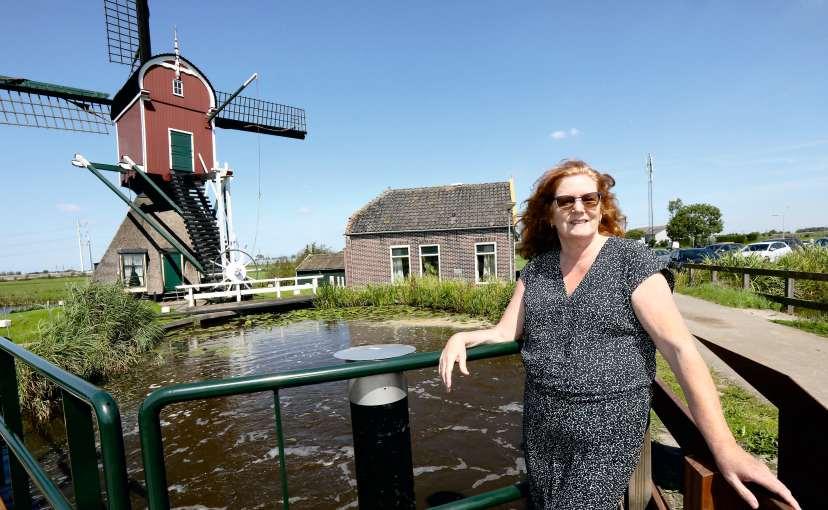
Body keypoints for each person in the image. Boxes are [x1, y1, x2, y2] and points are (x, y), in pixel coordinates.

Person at [438, 160, 799, 510]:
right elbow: (505, 331)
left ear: (601, 206)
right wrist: (461, 338)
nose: (579, 208)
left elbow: (680, 350)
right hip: (543, 423)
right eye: (566, 201)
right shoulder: (537, 271)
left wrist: (725, 447)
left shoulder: (631, 261)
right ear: (549, 213)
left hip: (607, 426)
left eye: (589, 198)